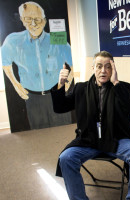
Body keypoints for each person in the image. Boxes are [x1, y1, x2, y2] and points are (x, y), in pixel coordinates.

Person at [51, 51, 130, 200]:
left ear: (113, 69)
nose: (103, 70)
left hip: (117, 140)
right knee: (66, 158)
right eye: (99, 66)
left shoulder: (123, 88)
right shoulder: (81, 89)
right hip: (88, 140)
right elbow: (60, 107)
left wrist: (116, 83)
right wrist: (61, 84)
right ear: (93, 68)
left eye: (108, 67)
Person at [1, 1, 73, 129]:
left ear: (44, 21)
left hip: (56, 94)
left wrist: (67, 82)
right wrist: (16, 84)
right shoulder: (13, 41)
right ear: (22, 20)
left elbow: (73, 62)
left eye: (37, 19)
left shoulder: (57, 38)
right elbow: (5, 63)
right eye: (28, 19)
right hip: (32, 98)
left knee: (63, 128)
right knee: (38, 133)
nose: (33, 24)